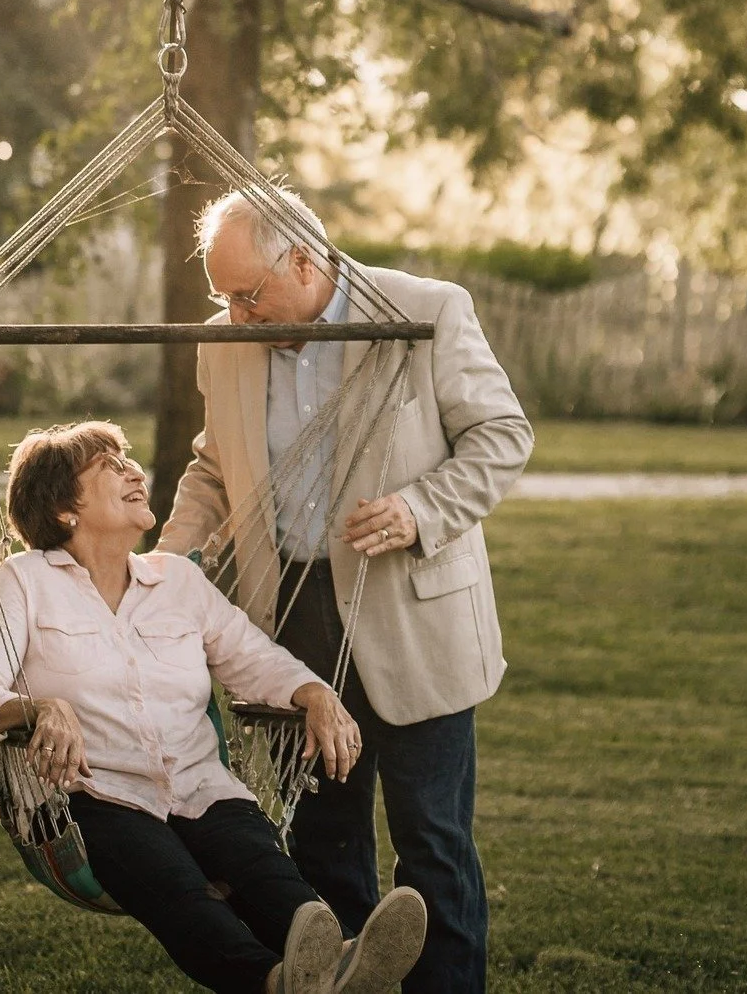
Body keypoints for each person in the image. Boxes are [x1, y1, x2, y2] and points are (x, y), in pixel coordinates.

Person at [159, 192, 534, 994]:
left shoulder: (426, 309)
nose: (235, 313)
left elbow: (502, 436)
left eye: (249, 295)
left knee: (432, 844)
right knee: (321, 846)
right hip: (289, 619)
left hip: (413, 617)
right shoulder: (225, 342)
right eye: (224, 296)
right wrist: (167, 562)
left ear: (304, 259)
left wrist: (417, 508)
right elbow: (213, 467)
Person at [0, 420, 427, 994]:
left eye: (128, 461)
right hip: (97, 797)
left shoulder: (176, 581)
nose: (133, 472)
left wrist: (314, 693)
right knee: (174, 886)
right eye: (108, 466)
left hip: (200, 784)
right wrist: (36, 709)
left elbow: (254, 658)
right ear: (62, 509)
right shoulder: (26, 582)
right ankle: (278, 981)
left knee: (261, 868)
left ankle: (343, 962)